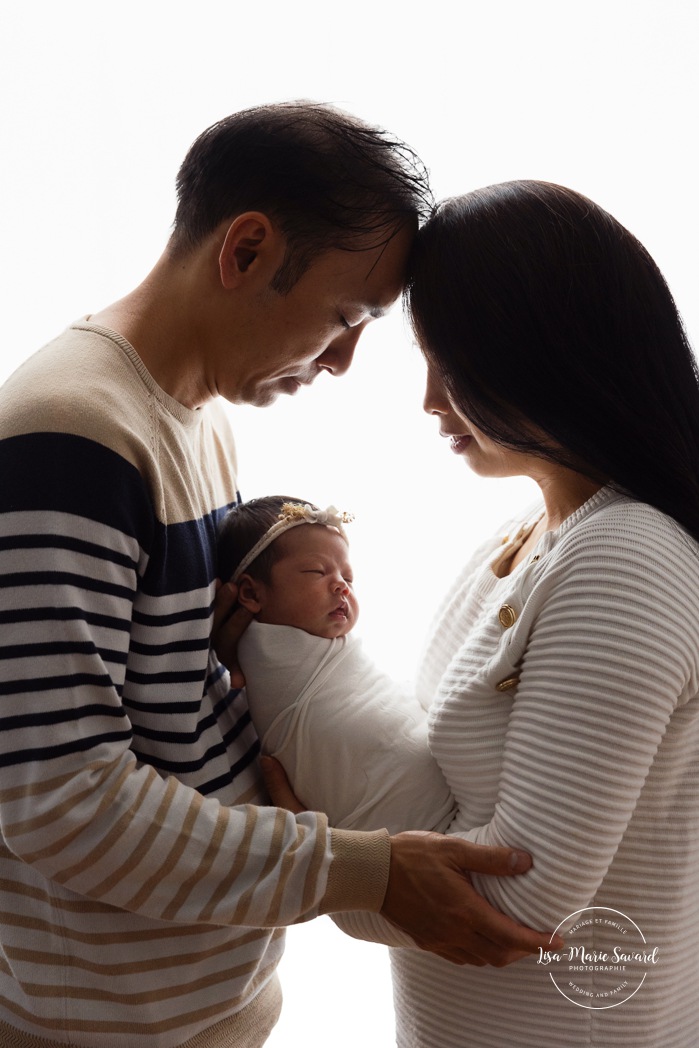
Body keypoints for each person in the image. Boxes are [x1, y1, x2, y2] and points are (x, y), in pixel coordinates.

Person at [0, 106, 554, 1048]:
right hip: (102, 1025)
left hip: (202, 1001)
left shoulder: (193, 419)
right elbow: (59, 800)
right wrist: (359, 869)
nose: (341, 361)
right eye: (345, 318)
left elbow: (176, 702)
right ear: (246, 249)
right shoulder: (69, 441)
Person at [264, 180, 699, 1046]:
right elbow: (440, 781)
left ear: (539, 351)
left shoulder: (624, 556)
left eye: (450, 362)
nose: (429, 399)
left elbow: (510, 905)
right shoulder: (526, 533)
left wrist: (320, 864)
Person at [218, 495, 455, 835]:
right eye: (317, 571)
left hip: (449, 805)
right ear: (252, 595)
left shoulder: (331, 645)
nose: (342, 585)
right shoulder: (264, 648)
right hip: (399, 832)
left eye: (349, 576)